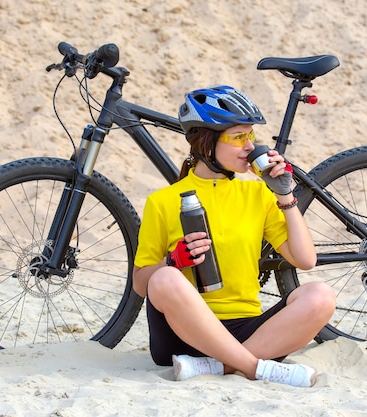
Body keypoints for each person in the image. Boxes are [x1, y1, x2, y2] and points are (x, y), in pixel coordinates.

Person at [133, 85, 336, 388]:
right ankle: (254, 368)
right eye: (238, 137)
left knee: (321, 296)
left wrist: (285, 196)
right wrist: (173, 261)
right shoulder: (163, 201)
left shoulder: (257, 193)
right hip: (182, 333)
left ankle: (219, 366)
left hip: (249, 331)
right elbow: (141, 285)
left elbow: (306, 260)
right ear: (205, 142)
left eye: (251, 136)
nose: (249, 146)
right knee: (164, 279)